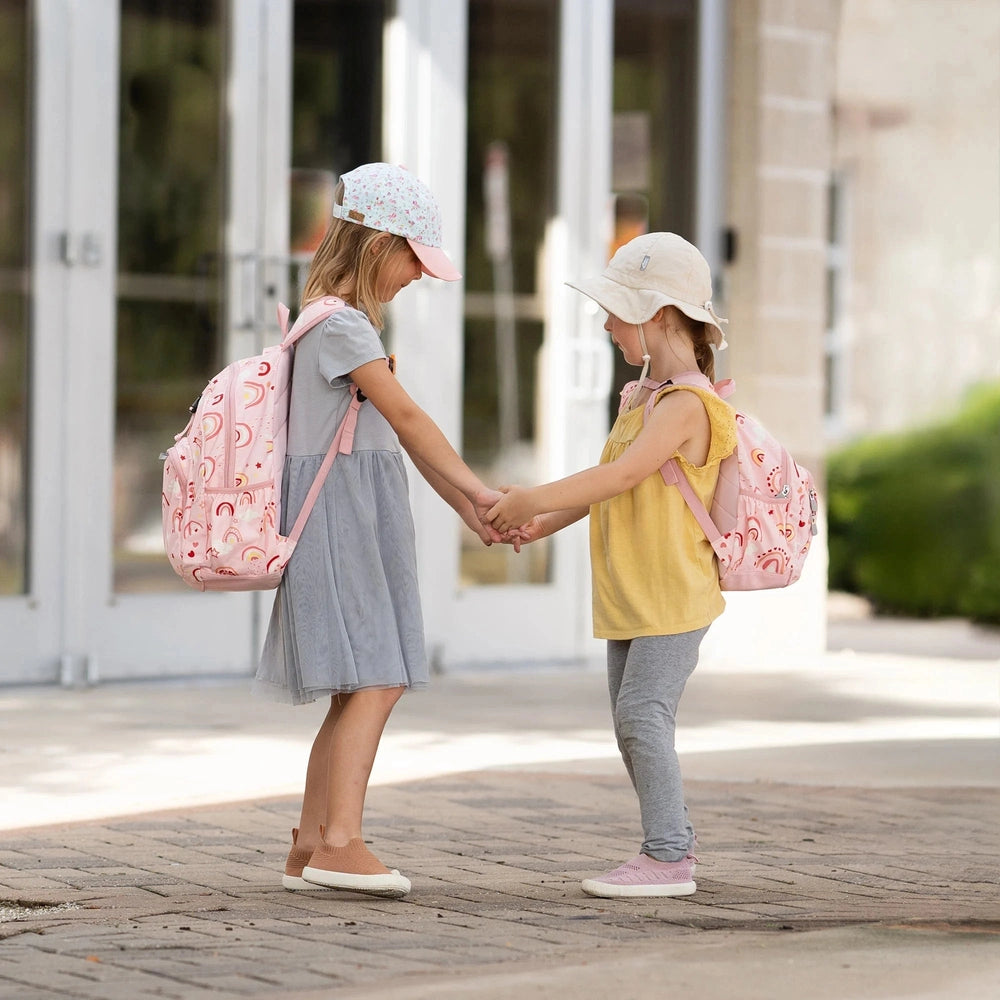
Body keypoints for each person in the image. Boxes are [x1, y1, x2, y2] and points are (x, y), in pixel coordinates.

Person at [255, 163, 503, 899]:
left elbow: (395, 436)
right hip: (343, 517)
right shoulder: (342, 326)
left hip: (345, 512)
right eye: (412, 260)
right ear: (375, 246)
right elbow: (409, 419)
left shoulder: (324, 321)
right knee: (379, 677)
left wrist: (470, 508)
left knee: (353, 687)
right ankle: (341, 842)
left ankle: (310, 842)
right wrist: (481, 491)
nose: (418, 276)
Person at [488, 232, 737, 899]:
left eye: (616, 312)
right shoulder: (645, 399)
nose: (605, 325)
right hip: (633, 592)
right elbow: (608, 485)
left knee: (642, 717)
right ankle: (670, 842)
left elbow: (622, 475)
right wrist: (539, 523)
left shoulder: (687, 406)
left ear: (659, 315)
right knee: (633, 723)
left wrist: (530, 498)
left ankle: (669, 857)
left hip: (673, 593)